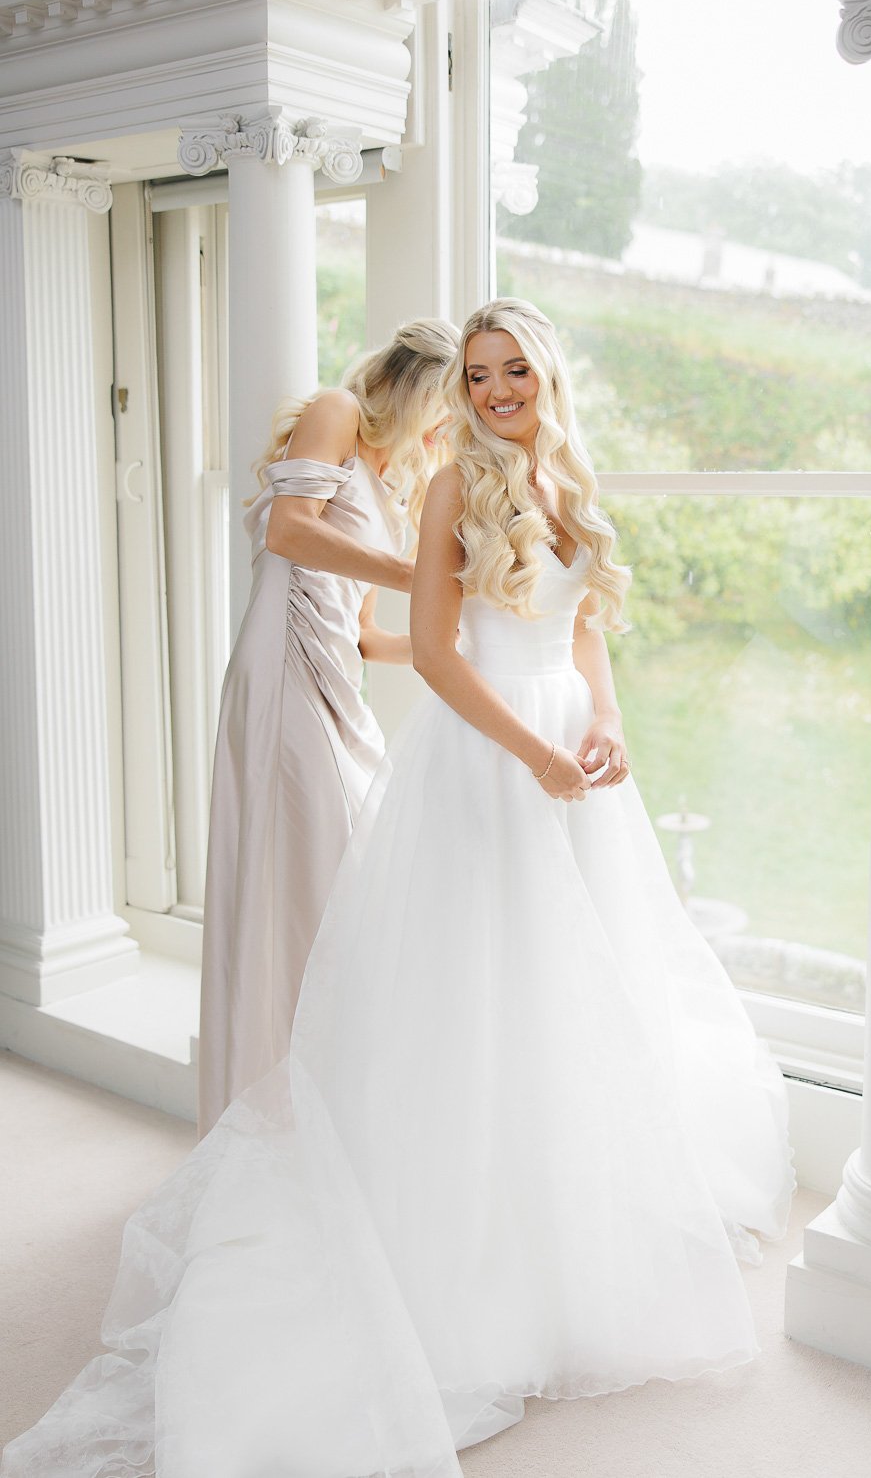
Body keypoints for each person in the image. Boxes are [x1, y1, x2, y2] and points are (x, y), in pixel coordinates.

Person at [0, 300, 793, 1478]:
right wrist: (528, 753)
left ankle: (566, 1231)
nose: (495, 390)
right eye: (477, 376)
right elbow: (430, 649)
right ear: (459, 391)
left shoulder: (573, 486)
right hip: (485, 760)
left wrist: (607, 725)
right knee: (479, 999)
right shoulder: (443, 490)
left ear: (546, 374)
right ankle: (471, 1255)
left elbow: (584, 634)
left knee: (581, 997)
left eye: (513, 369)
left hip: (573, 757)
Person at [198, 318, 458, 1135]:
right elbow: (289, 529)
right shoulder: (337, 409)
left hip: (337, 684)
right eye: (452, 404)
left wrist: (463, 640)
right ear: (420, 390)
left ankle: (337, 1101)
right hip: (281, 671)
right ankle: (270, 1112)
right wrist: (423, 575)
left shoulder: (397, 487)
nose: (454, 427)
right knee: (301, 878)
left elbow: (366, 633)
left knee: (346, 878)